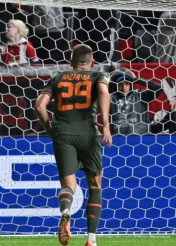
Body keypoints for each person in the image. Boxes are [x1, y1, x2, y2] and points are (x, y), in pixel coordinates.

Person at [35, 44, 112, 246]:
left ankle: (66, 210)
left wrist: (49, 130)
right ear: (92, 62)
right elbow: (104, 93)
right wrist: (106, 125)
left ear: (71, 62)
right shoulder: (98, 75)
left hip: (63, 132)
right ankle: (91, 241)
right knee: (95, 185)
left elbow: (39, 105)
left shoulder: (59, 76)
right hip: (88, 132)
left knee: (69, 186)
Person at [109, 68, 167, 135]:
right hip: (117, 139)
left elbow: (158, 88)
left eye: (127, 84)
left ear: (131, 84)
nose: (123, 87)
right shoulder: (110, 98)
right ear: (115, 85)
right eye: (120, 84)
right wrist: (110, 81)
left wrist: (137, 79)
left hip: (141, 138)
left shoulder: (140, 96)